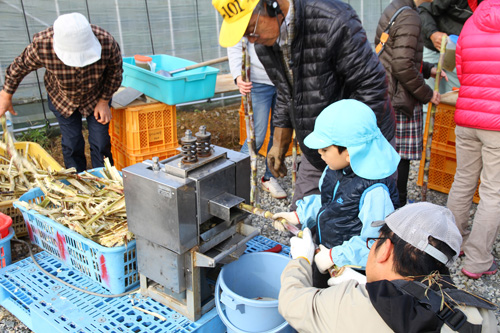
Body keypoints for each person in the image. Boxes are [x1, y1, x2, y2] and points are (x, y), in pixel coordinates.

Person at [212, 0, 396, 211]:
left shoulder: (333, 20)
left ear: (274, 5)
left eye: (250, 29)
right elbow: (285, 90)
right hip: (319, 144)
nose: (251, 40)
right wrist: (280, 142)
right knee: (302, 221)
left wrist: (348, 150)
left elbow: (372, 87)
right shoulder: (264, 44)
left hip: (362, 144)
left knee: (357, 223)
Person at [280, 202, 497, 332]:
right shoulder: (479, 314)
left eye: (376, 240)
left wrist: (301, 259)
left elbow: (292, 303)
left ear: (385, 249)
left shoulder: (348, 305)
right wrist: (367, 284)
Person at [273, 99, 400, 287]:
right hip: (327, 253)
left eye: (325, 149)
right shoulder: (334, 169)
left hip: (353, 271)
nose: (319, 153)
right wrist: (298, 215)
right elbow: (329, 204)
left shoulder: (375, 191)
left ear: (350, 152)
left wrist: (335, 256)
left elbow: (375, 242)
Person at [0, 12, 122, 172]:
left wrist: (104, 101)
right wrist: (6, 95)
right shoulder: (43, 45)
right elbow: (19, 66)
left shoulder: (106, 42)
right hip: (62, 99)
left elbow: (116, 72)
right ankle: (78, 180)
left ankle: (106, 180)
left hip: (96, 97)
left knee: (101, 141)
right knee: (72, 142)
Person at [446, 0, 500, 280]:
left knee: (463, 179)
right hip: (497, 123)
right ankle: (478, 260)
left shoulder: (469, 24)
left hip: (467, 116)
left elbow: (461, 71)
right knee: (493, 191)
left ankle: (449, 245)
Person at [375, 0, 445, 207]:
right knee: (401, 156)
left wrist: (427, 68)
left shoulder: (395, 7)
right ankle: (398, 205)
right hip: (400, 98)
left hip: (388, 92)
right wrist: (427, 93)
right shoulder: (411, 17)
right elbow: (402, 64)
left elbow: (394, 54)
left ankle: (389, 202)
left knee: (389, 153)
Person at [227, 38, 287, 199]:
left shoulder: (286, 13)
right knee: (257, 137)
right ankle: (236, 178)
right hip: (258, 82)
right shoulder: (246, 15)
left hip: (284, 79)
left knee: (279, 134)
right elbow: (234, 46)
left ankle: (269, 177)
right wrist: (238, 77)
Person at [419, 0, 472, 94]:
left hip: (458, 53)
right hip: (432, 47)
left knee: (452, 99)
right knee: (427, 98)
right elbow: (423, 9)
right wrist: (432, 33)